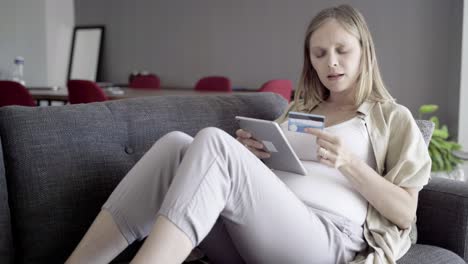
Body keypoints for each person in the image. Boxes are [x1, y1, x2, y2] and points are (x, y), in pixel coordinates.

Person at [66, 4, 431, 264]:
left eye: (342, 50)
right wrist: (253, 157)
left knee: (212, 142)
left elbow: (404, 213)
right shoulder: (299, 108)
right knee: (175, 145)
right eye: (319, 54)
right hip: (258, 232)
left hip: (326, 239)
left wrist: (350, 163)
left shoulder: (392, 118)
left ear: (365, 52)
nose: (330, 62)